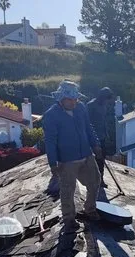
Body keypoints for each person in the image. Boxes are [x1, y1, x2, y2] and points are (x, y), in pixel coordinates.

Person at [43, 80, 102, 232]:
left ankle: (90, 209)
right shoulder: (51, 115)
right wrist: (53, 163)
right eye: (71, 99)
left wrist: (95, 144)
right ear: (61, 99)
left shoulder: (81, 108)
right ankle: (69, 219)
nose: (74, 102)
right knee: (68, 190)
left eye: (76, 99)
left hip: (86, 154)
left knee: (95, 181)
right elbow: (50, 141)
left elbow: (89, 127)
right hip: (67, 160)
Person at [85, 87, 117, 185]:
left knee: (101, 159)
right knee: (93, 160)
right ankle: (92, 180)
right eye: (106, 99)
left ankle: (100, 179)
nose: (107, 102)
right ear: (102, 97)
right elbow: (86, 122)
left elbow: (103, 121)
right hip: (92, 138)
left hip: (102, 137)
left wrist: (106, 133)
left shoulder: (104, 105)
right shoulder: (90, 105)